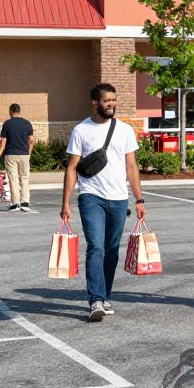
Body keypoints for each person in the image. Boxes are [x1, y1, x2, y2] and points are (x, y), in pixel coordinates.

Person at [60, 83, 144, 322]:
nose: (111, 104)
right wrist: (66, 202)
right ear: (94, 102)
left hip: (118, 198)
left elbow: (131, 166)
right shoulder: (81, 130)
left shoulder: (125, 130)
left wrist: (139, 198)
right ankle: (95, 299)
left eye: (113, 100)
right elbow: (72, 167)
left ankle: (105, 294)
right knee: (95, 246)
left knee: (111, 250)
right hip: (90, 197)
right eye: (107, 100)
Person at [0, 103, 35, 212]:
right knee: (24, 178)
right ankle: (25, 202)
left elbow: (3, 142)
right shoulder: (27, 123)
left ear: (10, 111)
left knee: (13, 179)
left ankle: (15, 204)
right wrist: (29, 153)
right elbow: (31, 140)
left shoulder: (7, 124)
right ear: (19, 111)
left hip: (11, 154)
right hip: (24, 154)